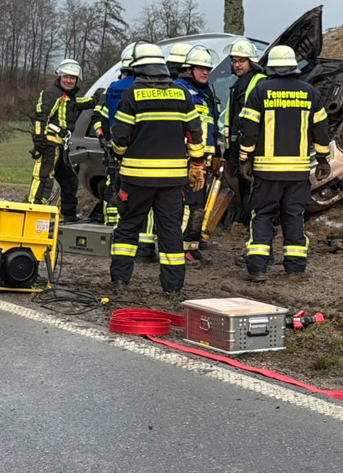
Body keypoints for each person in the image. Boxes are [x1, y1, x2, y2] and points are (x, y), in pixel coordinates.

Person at [108, 43, 204, 296]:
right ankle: (173, 287)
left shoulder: (133, 94)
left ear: (138, 69)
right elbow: (195, 133)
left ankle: (120, 280)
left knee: (129, 227)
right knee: (170, 231)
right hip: (172, 180)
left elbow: (120, 136)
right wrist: (197, 164)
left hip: (136, 178)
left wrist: (118, 154)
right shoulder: (182, 94)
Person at [236, 45, 330, 281]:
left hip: (266, 171)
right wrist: (322, 159)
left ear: (271, 67)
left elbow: (249, 130)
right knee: (294, 215)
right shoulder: (309, 92)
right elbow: (321, 131)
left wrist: (244, 159)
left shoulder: (260, 91)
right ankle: (296, 268)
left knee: (262, 215)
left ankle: (257, 268)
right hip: (297, 172)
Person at [29, 59, 103, 222]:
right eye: (66, 77)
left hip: (61, 146)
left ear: (77, 80)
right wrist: (40, 141)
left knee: (70, 180)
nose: (69, 80)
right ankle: (35, 212)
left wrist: (96, 99)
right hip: (49, 144)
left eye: (72, 78)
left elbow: (78, 103)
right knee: (43, 178)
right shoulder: (52, 93)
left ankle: (68, 215)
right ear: (60, 76)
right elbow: (41, 117)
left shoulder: (68, 97)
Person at [174, 45, 220, 264]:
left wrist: (215, 153)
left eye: (207, 69)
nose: (205, 72)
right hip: (186, 160)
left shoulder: (206, 93)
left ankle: (191, 247)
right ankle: (179, 249)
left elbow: (211, 126)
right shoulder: (180, 90)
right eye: (200, 68)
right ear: (189, 69)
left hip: (202, 160)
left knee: (198, 207)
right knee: (187, 207)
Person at [91, 43, 139, 226]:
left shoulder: (112, 89)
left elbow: (100, 117)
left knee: (114, 186)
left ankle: (111, 224)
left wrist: (103, 138)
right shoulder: (139, 89)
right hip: (134, 150)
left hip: (114, 148)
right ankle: (124, 224)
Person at [224, 38, 264, 224]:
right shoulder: (238, 84)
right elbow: (232, 120)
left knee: (253, 194)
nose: (237, 65)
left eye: (241, 61)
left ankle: (256, 230)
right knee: (245, 191)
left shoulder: (259, 83)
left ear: (251, 61)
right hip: (239, 149)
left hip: (253, 151)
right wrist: (229, 152)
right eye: (234, 61)